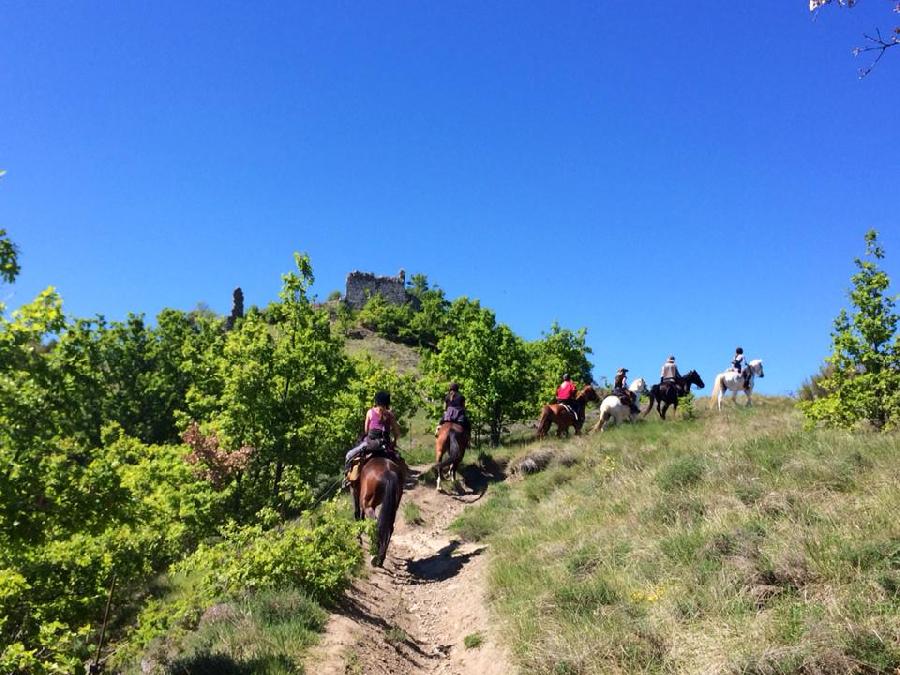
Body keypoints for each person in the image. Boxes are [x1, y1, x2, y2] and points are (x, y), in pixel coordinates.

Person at [344, 391, 403, 484]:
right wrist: (394, 441)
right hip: (385, 445)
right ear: (387, 402)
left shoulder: (370, 412)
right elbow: (397, 432)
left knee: (349, 455)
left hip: (370, 444)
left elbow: (366, 430)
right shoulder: (390, 415)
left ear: (376, 401)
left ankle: (347, 479)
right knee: (399, 461)